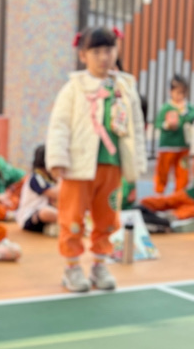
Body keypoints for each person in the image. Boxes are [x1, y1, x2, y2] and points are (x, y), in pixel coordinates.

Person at [47, 26, 146, 293]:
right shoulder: (74, 88)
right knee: (72, 217)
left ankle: (100, 264)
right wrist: (58, 158)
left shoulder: (125, 87)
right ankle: (72, 268)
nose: (104, 57)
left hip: (112, 166)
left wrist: (136, 166)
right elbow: (59, 124)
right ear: (83, 55)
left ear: (116, 51)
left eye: (108, 50)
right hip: (77, 167)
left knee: (107, 218)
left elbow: (136, 126)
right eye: (97, 51)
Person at [153, 74, 194, 194]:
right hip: (167, 146)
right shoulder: (166, 107)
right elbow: (158, 124)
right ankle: (159, 193)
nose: (180, 95)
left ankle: (179, 195)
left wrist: (186, 115)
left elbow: (191, 118)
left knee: (183, 172)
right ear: (170, 91)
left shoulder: (188, 108)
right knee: (162, 171)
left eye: (182, 92)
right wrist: (167, 125)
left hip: (183, 146)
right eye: (177, 92)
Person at [16, 144, 59, 235]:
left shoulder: (49, 179)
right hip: (29, 217)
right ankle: (69, 220)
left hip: (43, 220)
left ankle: (52, 227)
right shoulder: (36, 178)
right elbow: (56, 194)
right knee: (45, 212)